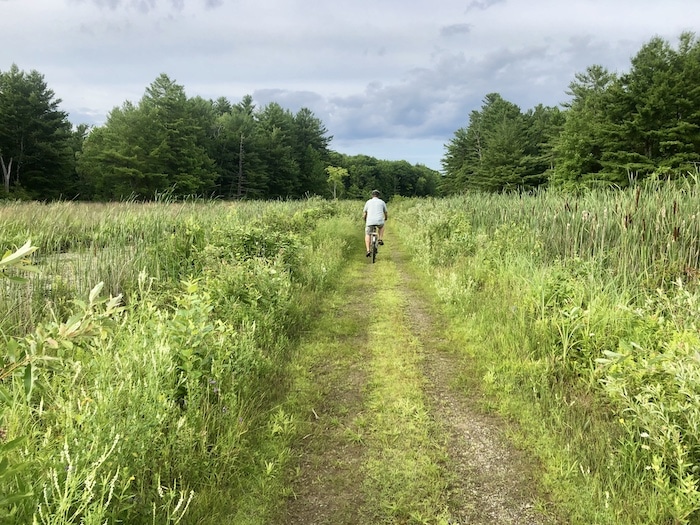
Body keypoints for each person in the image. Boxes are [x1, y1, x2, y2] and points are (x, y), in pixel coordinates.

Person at [362, 189, 387, 257]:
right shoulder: (382, 202)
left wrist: (364, 219)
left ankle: (368, 250)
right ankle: (380, 239)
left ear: (372, 195)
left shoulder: (368, 202)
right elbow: (385, 212)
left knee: (367, 234)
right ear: (378, 196)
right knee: (381, 227)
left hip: (369, 221)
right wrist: (385, 218)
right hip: (379, 220)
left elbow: (364, 214)